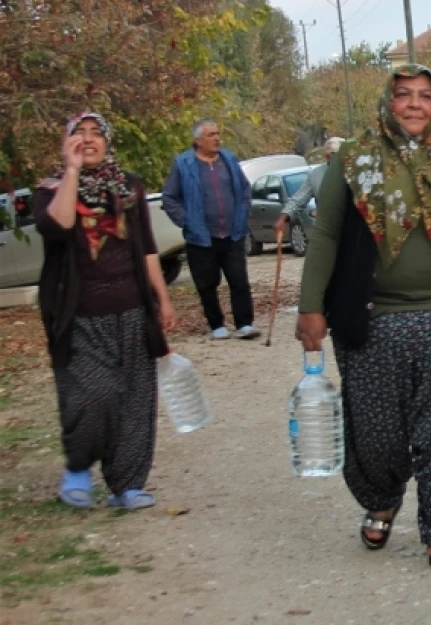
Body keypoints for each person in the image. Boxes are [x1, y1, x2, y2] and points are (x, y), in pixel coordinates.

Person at [295, 64, 431, 577]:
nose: (415, 104)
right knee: (377, 434)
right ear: (387, 101)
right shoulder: (354, 158)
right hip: (372, 320)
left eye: (425, 96)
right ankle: (381, 498)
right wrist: (311, 306)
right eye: (403, 95)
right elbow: (326, 231)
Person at [33, 112, 177, 510]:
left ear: (108, 141)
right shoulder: (51, 189)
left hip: (131, 308)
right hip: (78, 314)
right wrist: (73, 171)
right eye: (79, 133)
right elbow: (58, 226)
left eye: (97, 133)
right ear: (68, 143)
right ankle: (78, 471)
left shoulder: (127, 186)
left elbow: (147, 246)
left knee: (134, 398)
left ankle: (127, 484)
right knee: (90, 396)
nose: (89, 139)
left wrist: (162, 298)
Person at [161, 120, 259, 341]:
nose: (217, 138)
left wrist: (243, 212)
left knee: (239, 280)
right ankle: (217, 325)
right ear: (198, 140)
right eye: (211, 135)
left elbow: (244, 189)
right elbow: (169, 197)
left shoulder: (229, 159)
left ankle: (244, 324)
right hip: (201, 237)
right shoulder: (183, 164)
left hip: (232, 233)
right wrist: (186, 221)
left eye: (217, 134)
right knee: (206, 283)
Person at [274, 136, 345, 239]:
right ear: (327, 156)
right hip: (327, 230)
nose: (332, 158)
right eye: (330, 155)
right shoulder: (316, 175)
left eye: (337, 155)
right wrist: (283, 217)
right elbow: (299, 199)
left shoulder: (353, 174)